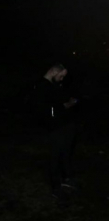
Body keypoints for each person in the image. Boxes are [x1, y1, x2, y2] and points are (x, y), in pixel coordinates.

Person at [32, 63, 79, 199]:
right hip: (55, 128)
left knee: (65, 154)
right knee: (55, 156)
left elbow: (56, 105)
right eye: (61, 76)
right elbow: (47, 109)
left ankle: (66, 180)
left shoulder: (53, 86)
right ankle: (55, 186)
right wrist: (65, 106)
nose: (62, 79)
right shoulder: (42, 86)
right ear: (53, 71)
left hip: (63, 126)